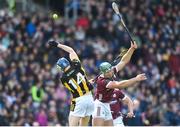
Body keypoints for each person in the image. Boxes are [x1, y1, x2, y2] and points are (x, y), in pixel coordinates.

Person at [92, 41, 147, 126]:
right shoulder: (102, 81)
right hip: (99, 104)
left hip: (106, 104)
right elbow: (120, 85)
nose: (111, 72)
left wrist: (131, 49)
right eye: (109, 71)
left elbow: (123, 61)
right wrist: (135, 79)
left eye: (111, 69)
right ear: (104, 73)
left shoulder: (111, 71)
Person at [48, 40, 94, 126]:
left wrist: (86, 83)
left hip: (79, 100)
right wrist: (58, 45)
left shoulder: (63, 79)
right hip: (90, 99)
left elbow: (75, 85)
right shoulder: (77, 65)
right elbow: (71, 50)